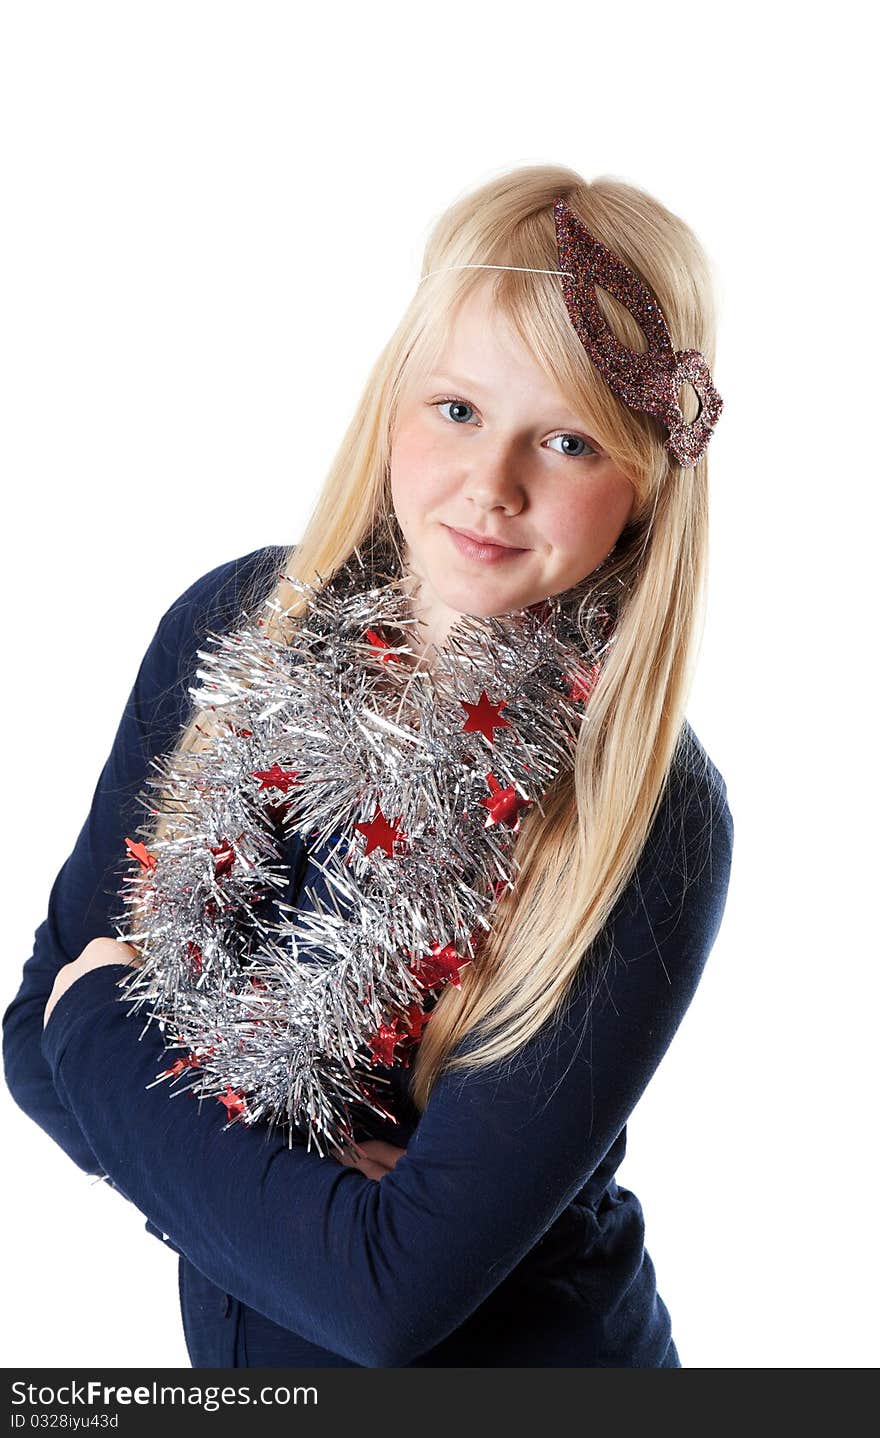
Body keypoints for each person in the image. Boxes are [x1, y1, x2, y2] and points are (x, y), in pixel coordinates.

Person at [3, 164, 734, 1368]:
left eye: (564, 441)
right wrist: (296, 1195)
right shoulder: (234, 624)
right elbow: (25, 1040)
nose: (490, 487)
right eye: (457, 409)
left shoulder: (644, 810)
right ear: (396, 396)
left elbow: (383, 1297)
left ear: (649, 481)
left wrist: (108, 1031)